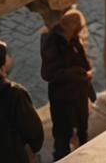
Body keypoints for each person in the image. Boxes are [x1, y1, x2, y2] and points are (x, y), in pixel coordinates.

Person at [41, 9, 94, 159]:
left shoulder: (74, 39)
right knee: (63, 135)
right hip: (62, 97)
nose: (79, 32)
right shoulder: (51, 42)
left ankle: (85, 157)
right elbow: (48, 74)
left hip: (78, 94)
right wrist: (76, 73)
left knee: (82, 130)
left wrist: (84, 73)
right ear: (69, 26)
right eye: (78, 28)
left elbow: (85, 65)